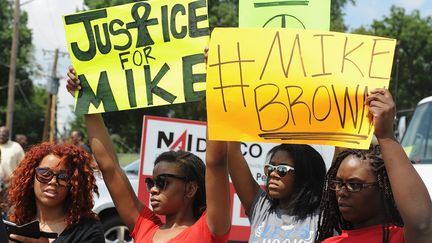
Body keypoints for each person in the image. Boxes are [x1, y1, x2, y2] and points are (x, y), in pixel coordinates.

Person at [67, 66, 231, 242]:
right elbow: (110, 168)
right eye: (151, 182)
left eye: (162, 182)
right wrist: (86, 99)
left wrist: (217, 78)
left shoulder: (209, 229)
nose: (153, 189)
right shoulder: (145, 227)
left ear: (190, 188)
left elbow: (216, 161)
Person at [315, 88, 432, 243]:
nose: (341, 192)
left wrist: (385, 135)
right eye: (338, 183)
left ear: (384, 189)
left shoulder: (400, 238)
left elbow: (422, 225)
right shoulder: (330, 242)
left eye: (354, 184)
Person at [227, 142, 326, 241]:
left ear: (305, 175)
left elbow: (340, 158)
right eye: (270, 168)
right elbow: (232, 153)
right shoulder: (262, 208)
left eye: (282, 170)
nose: (273, 174)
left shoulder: (323, 216)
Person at [6, 142, 105, 242]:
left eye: (63, 177)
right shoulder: (16, 221)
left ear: (74, 184)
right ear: (31, 178)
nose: (53, 182)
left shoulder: (88, 230)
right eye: (44, 173)